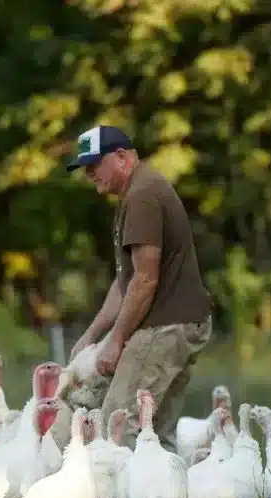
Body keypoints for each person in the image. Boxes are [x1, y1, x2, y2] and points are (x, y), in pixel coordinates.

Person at [66, 124, 213, 451]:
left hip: (165, 326)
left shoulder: (142, 196)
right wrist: (92, 337)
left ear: (121, 157)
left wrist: (115, 341)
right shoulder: (138, 192)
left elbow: (146, 280)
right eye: (84, 168)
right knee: (156, 436)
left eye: (94, 164)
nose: (89, 173)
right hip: (183, 323)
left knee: (118, 427)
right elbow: (126, 283)